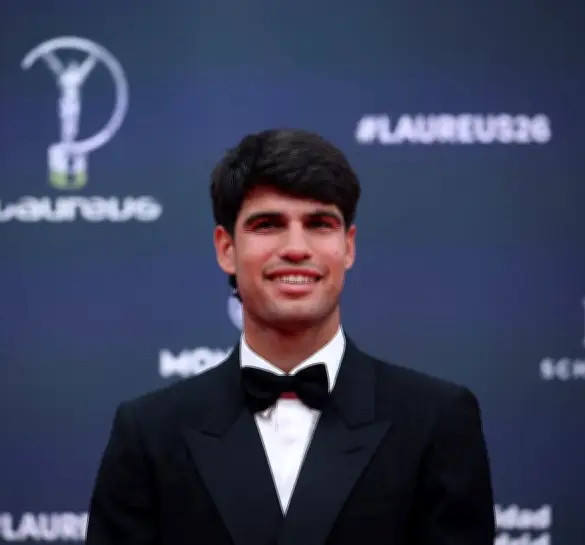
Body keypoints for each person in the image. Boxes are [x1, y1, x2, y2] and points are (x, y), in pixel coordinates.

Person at [85, 128, 496, 545]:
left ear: (348, 247)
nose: (296, 248)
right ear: (226, 249)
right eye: (268, 225)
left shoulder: (436, 421)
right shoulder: (150, 434)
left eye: (319, 224)